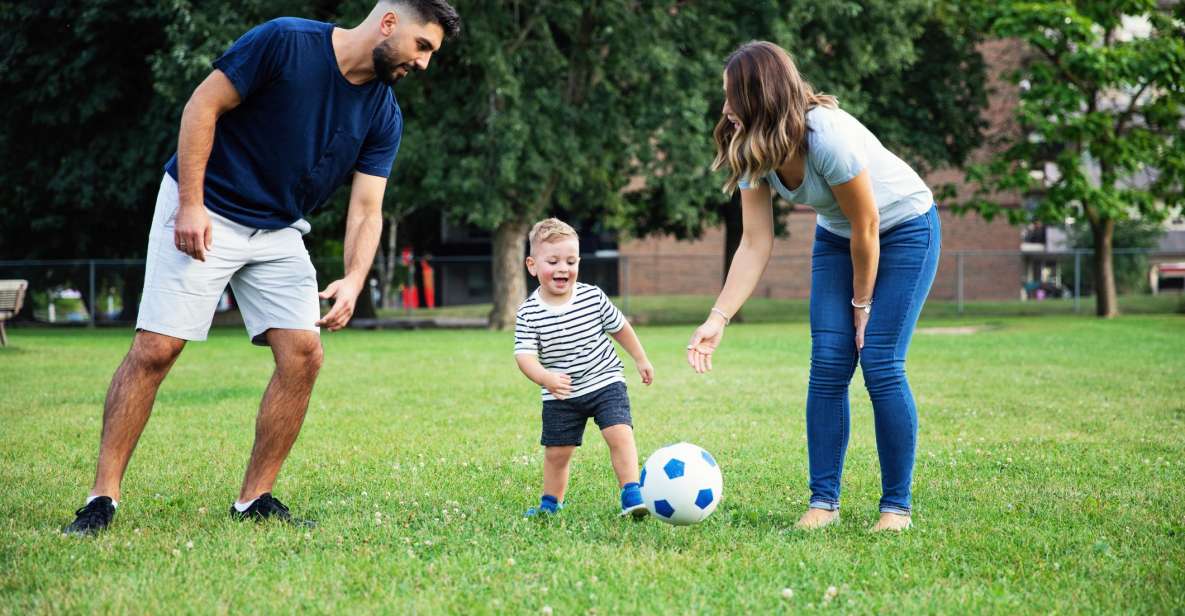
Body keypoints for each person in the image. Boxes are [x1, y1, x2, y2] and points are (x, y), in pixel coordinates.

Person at [62, 0, 461, 535]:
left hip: (278, 228)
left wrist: (354, 277)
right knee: (157, 349)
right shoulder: (285, 42)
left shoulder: (383, 112)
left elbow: (367, 208)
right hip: (207, 204)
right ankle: (101, 499)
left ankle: (254, 499)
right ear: (389, 22)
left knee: (303, 354)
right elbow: (201, 107)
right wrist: (191, 205)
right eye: (423, 46)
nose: (424, 63)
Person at [686, 41, 941, 532]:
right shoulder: (751, 147)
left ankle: (896, 508)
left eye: (732, 97)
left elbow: (868, 225)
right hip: (839, 235)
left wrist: (861, 303)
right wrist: (718, 318)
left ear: (760, 96)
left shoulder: (828, 136)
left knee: (881, 361)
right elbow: (755, 243)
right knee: (827, 364)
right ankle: (823, 503)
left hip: (905, 228)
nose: (725, 110)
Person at [514, 218, 655, 518]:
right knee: (557, 453)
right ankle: (550, 504)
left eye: (570, 260)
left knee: (619, 433)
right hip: (560, 393)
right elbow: (524, 356)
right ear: (532, 265)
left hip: (605, 380)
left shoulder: (592, 297)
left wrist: (640, 358)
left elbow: (620, 328)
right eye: (552, 261)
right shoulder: (529, 312)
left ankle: (632, 495)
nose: (563, 268)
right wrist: (546, 378)